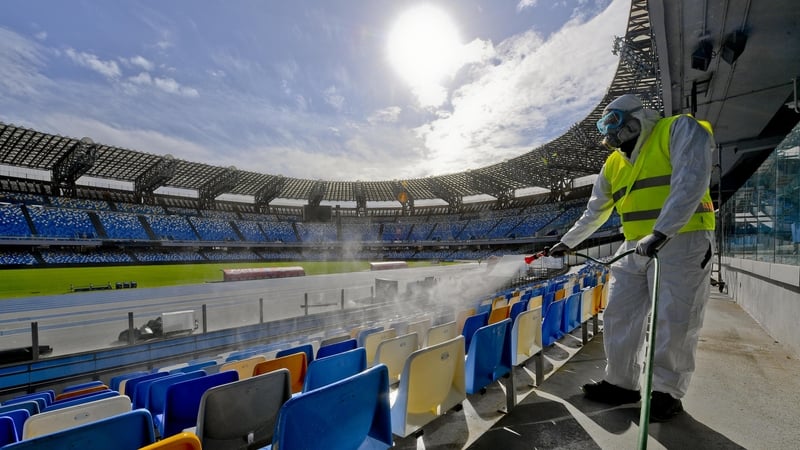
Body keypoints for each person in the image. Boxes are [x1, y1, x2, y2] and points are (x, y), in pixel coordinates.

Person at [547, 94, 716, 421]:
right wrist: (567, 242)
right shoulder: (613, 163)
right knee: (619, 314)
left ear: (637, 117)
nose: (610, 132)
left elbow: (691, 180)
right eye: (605, 126)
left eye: (615, 122)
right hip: (634, 245)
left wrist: (662, 231)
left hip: (683, 238)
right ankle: (621, 382)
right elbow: (595, 211)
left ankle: (666, 392)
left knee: (675, 317)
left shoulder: (677, 129)